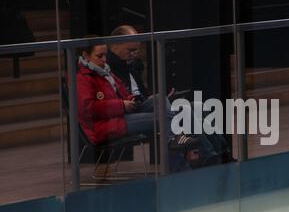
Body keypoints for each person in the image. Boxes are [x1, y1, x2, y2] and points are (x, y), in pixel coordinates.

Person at [76, 42, 217, 172]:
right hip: (107, 124)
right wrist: (122, 105)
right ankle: (181, 168)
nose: (104, 59)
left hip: (122, 113)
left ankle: (209, 156)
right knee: (166, 120)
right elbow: (88, 109)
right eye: (99, 56)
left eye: (105, 55)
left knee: (164, 100)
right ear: (85, 56)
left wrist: (131, 100)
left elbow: (122, 94)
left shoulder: (105, 72)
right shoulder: (83, 78)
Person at [108, 25, 234, 165]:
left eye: (136, 50)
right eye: (130, 50)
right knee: (172, 105)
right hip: (128, 111)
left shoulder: (131, 64)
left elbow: (141, 93)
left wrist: (153, 98)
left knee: (196, 107)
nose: (134, 54)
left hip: (142, 105)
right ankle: (207, 155)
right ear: (115, 44)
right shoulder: (109, 67)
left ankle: (221, 152)